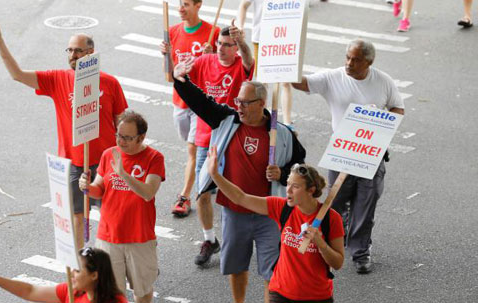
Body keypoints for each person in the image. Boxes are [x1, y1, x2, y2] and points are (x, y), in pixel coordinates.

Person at [0, 21, 128, 249]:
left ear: (90, 53)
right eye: (69, 50)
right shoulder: (57, 79)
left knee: (112, 215)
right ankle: (80, 268)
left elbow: (121, 123)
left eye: (77, 50)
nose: (72, 55)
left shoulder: (109, 83)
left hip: (106, 163)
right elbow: (17, 74)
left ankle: (115, 261)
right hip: (74, 164)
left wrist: (125, 158)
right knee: (77, 216)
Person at [173, 62, 306, 302]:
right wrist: (181, 79)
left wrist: (283, 174)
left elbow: (301, 167)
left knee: (272, 271)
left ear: (261, 103)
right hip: (234, 212)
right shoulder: (226, 119)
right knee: (235, 267)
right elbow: (200, 101)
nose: (239, 107)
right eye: (238, 101)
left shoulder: (282, 133)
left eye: (245, 102)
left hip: (269, 213)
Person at [292, 39, 405, 274]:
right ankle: (337, 234)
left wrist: (379, 120)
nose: (349, 63)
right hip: (342, 152)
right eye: (347, 57)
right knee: (336, 201)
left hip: (371, 154)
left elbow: (398, 108)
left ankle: (361, 252)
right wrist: (286, 68)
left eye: (355, 60)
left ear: (369, 62)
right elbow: (301, 84)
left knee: (365, 205)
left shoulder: (383, 82)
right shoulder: (333, 77)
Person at [207, 147, 344, 303]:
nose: (288, 191)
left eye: (296, 187)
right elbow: (240, 198)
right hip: (280, 293)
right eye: (288, 184)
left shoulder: (331, 219)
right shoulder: (282, 207)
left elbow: (337, 263)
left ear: (311, 190)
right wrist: (215, 175)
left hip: (317, 297)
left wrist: (320, 244)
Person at [180, 21, 255, 266]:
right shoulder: (205, 61)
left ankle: (237, 238)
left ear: (236, 48)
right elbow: (181, 77)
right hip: (206, 138)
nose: (221, 48)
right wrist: (174, 64)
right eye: (219, 44)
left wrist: (243, 42)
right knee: (202, 193)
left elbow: (248, 59)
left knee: (233, 193)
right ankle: (209, 239)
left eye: (227, 45)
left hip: (233, 138)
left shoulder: (242, 66)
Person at [79, 110, 165, 303]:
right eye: (118, 135)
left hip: (139, 237)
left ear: (141, 137)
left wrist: (124, 174)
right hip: (109, 236)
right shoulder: (108, 154)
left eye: (127, 137)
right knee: (112, 293)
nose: (121, 141)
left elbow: (148, 192)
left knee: (142, 291)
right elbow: (99, 189)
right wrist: (87, 187)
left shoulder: (154, 158)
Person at [159, 0, 220, 217]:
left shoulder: (213, 32)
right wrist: (165, 56)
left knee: (193, 149)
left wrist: (212, 54)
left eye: (186, 4)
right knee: (192, 144)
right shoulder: (173, 32)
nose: (180, 8)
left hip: (200, 103)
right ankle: (212, 172)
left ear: (198, 4)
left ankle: (184, 196)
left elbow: (220, 68)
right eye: (179, 4)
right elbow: (169, 77)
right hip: (180, 101)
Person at [0, 247, 127, 303]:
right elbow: (29, 291)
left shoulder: (117, 301)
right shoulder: (73, 292)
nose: (72, 273)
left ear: (94, 275)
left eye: (77, 270)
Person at [237, 0, 295, 130]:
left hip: (285, 38)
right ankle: (263, 119)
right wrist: (240, 26)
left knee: (285, 82)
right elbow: (243, 5)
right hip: (261, 39)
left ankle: (287, 123)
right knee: (264, 83)